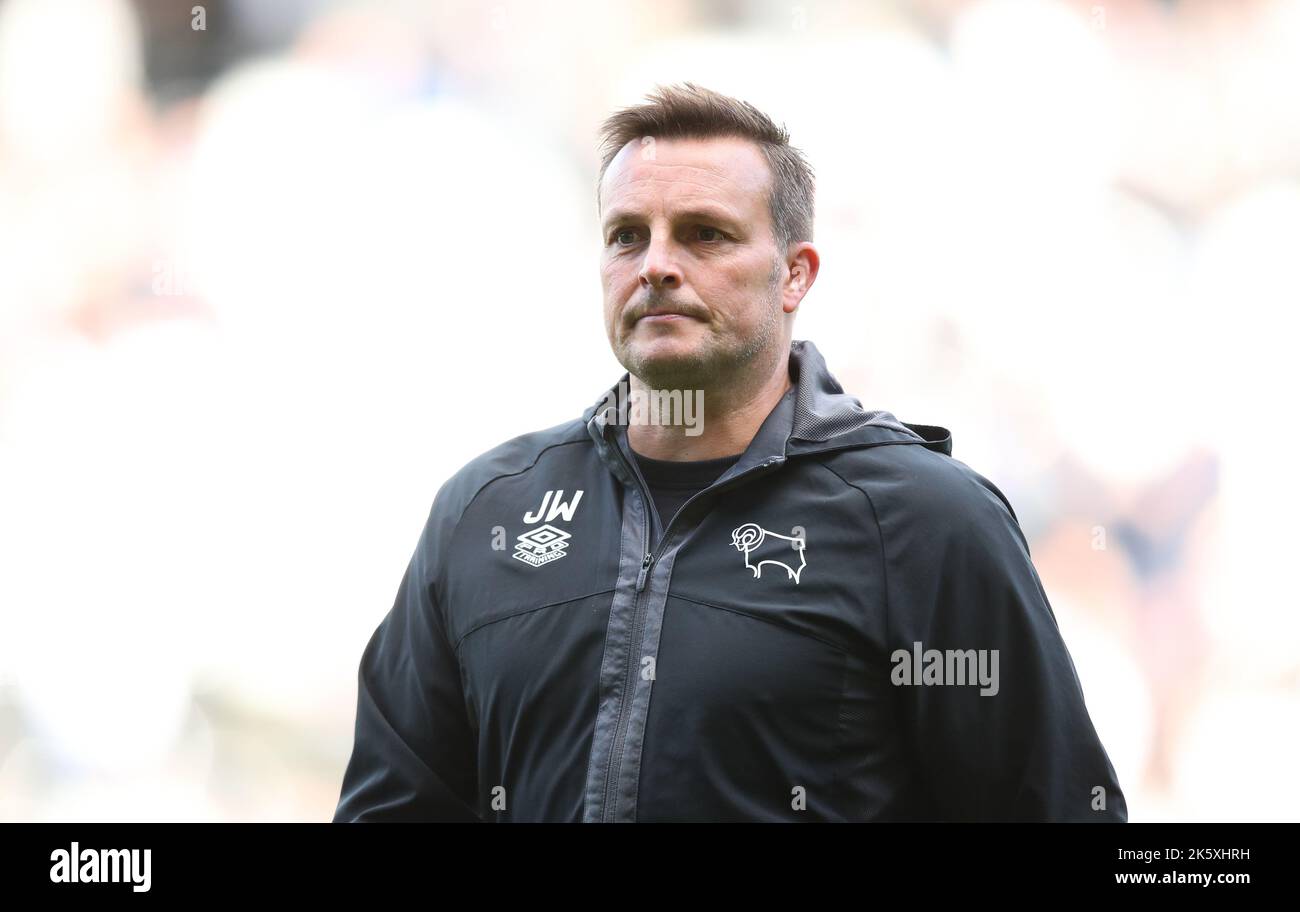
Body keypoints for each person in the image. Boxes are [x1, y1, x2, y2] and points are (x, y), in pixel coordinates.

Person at [332, 83, 1127, 822]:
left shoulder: (926, 522)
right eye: (626, 237)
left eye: (705, 235)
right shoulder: (485, 513)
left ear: (794, 274)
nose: (657, 266)